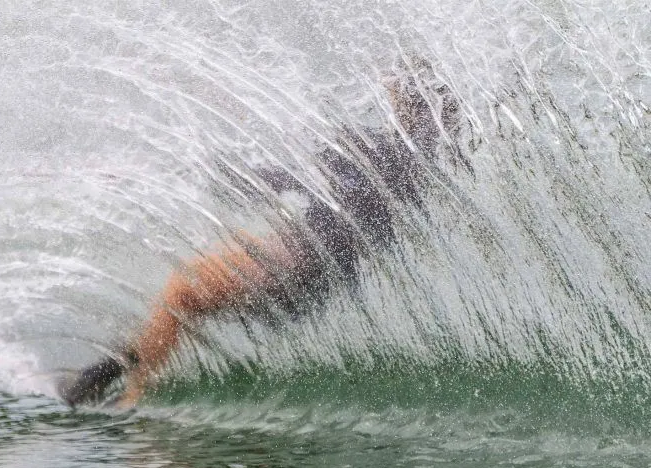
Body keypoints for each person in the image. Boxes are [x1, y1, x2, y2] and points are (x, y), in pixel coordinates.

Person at [59, 61, 464, 407]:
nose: (386, 97)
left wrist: (225, 174)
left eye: (394, 91)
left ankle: (134, 394)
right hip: (310, 268)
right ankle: (111, 368)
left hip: (299, 264)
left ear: (405, 102)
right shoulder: (415, 165)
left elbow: (294, 181)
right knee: (185, 291)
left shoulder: (378, 155)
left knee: (183, 290)